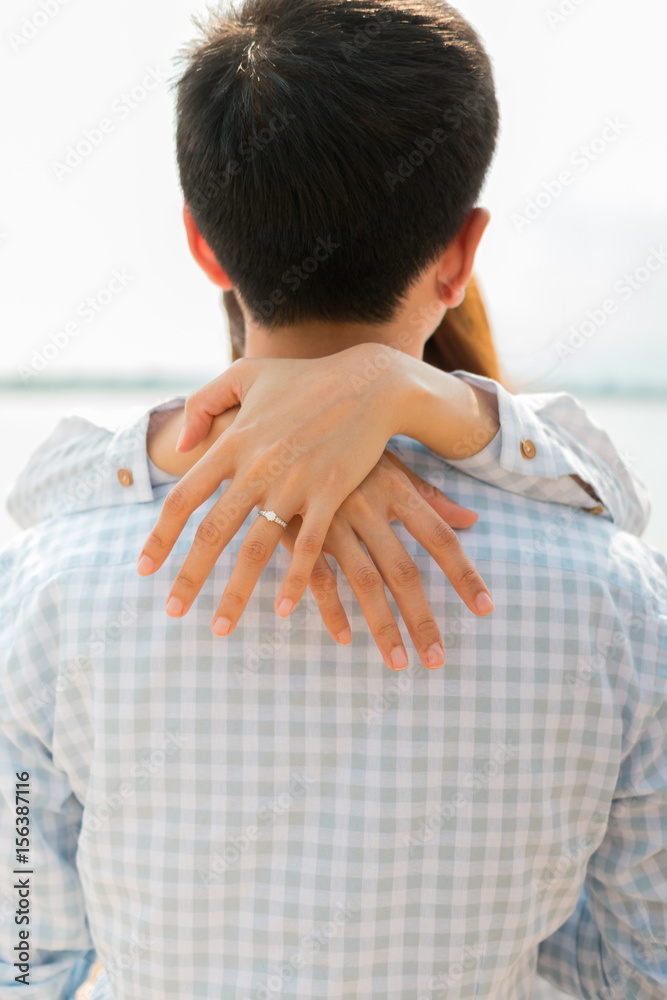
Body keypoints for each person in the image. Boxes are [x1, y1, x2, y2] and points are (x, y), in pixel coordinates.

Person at [1, 1, 665, 998]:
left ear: (203, 244)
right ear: (460, 254)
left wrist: (199, 437)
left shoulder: (49, 587)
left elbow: (24, 953)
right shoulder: (619, 600)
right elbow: (635, 967)